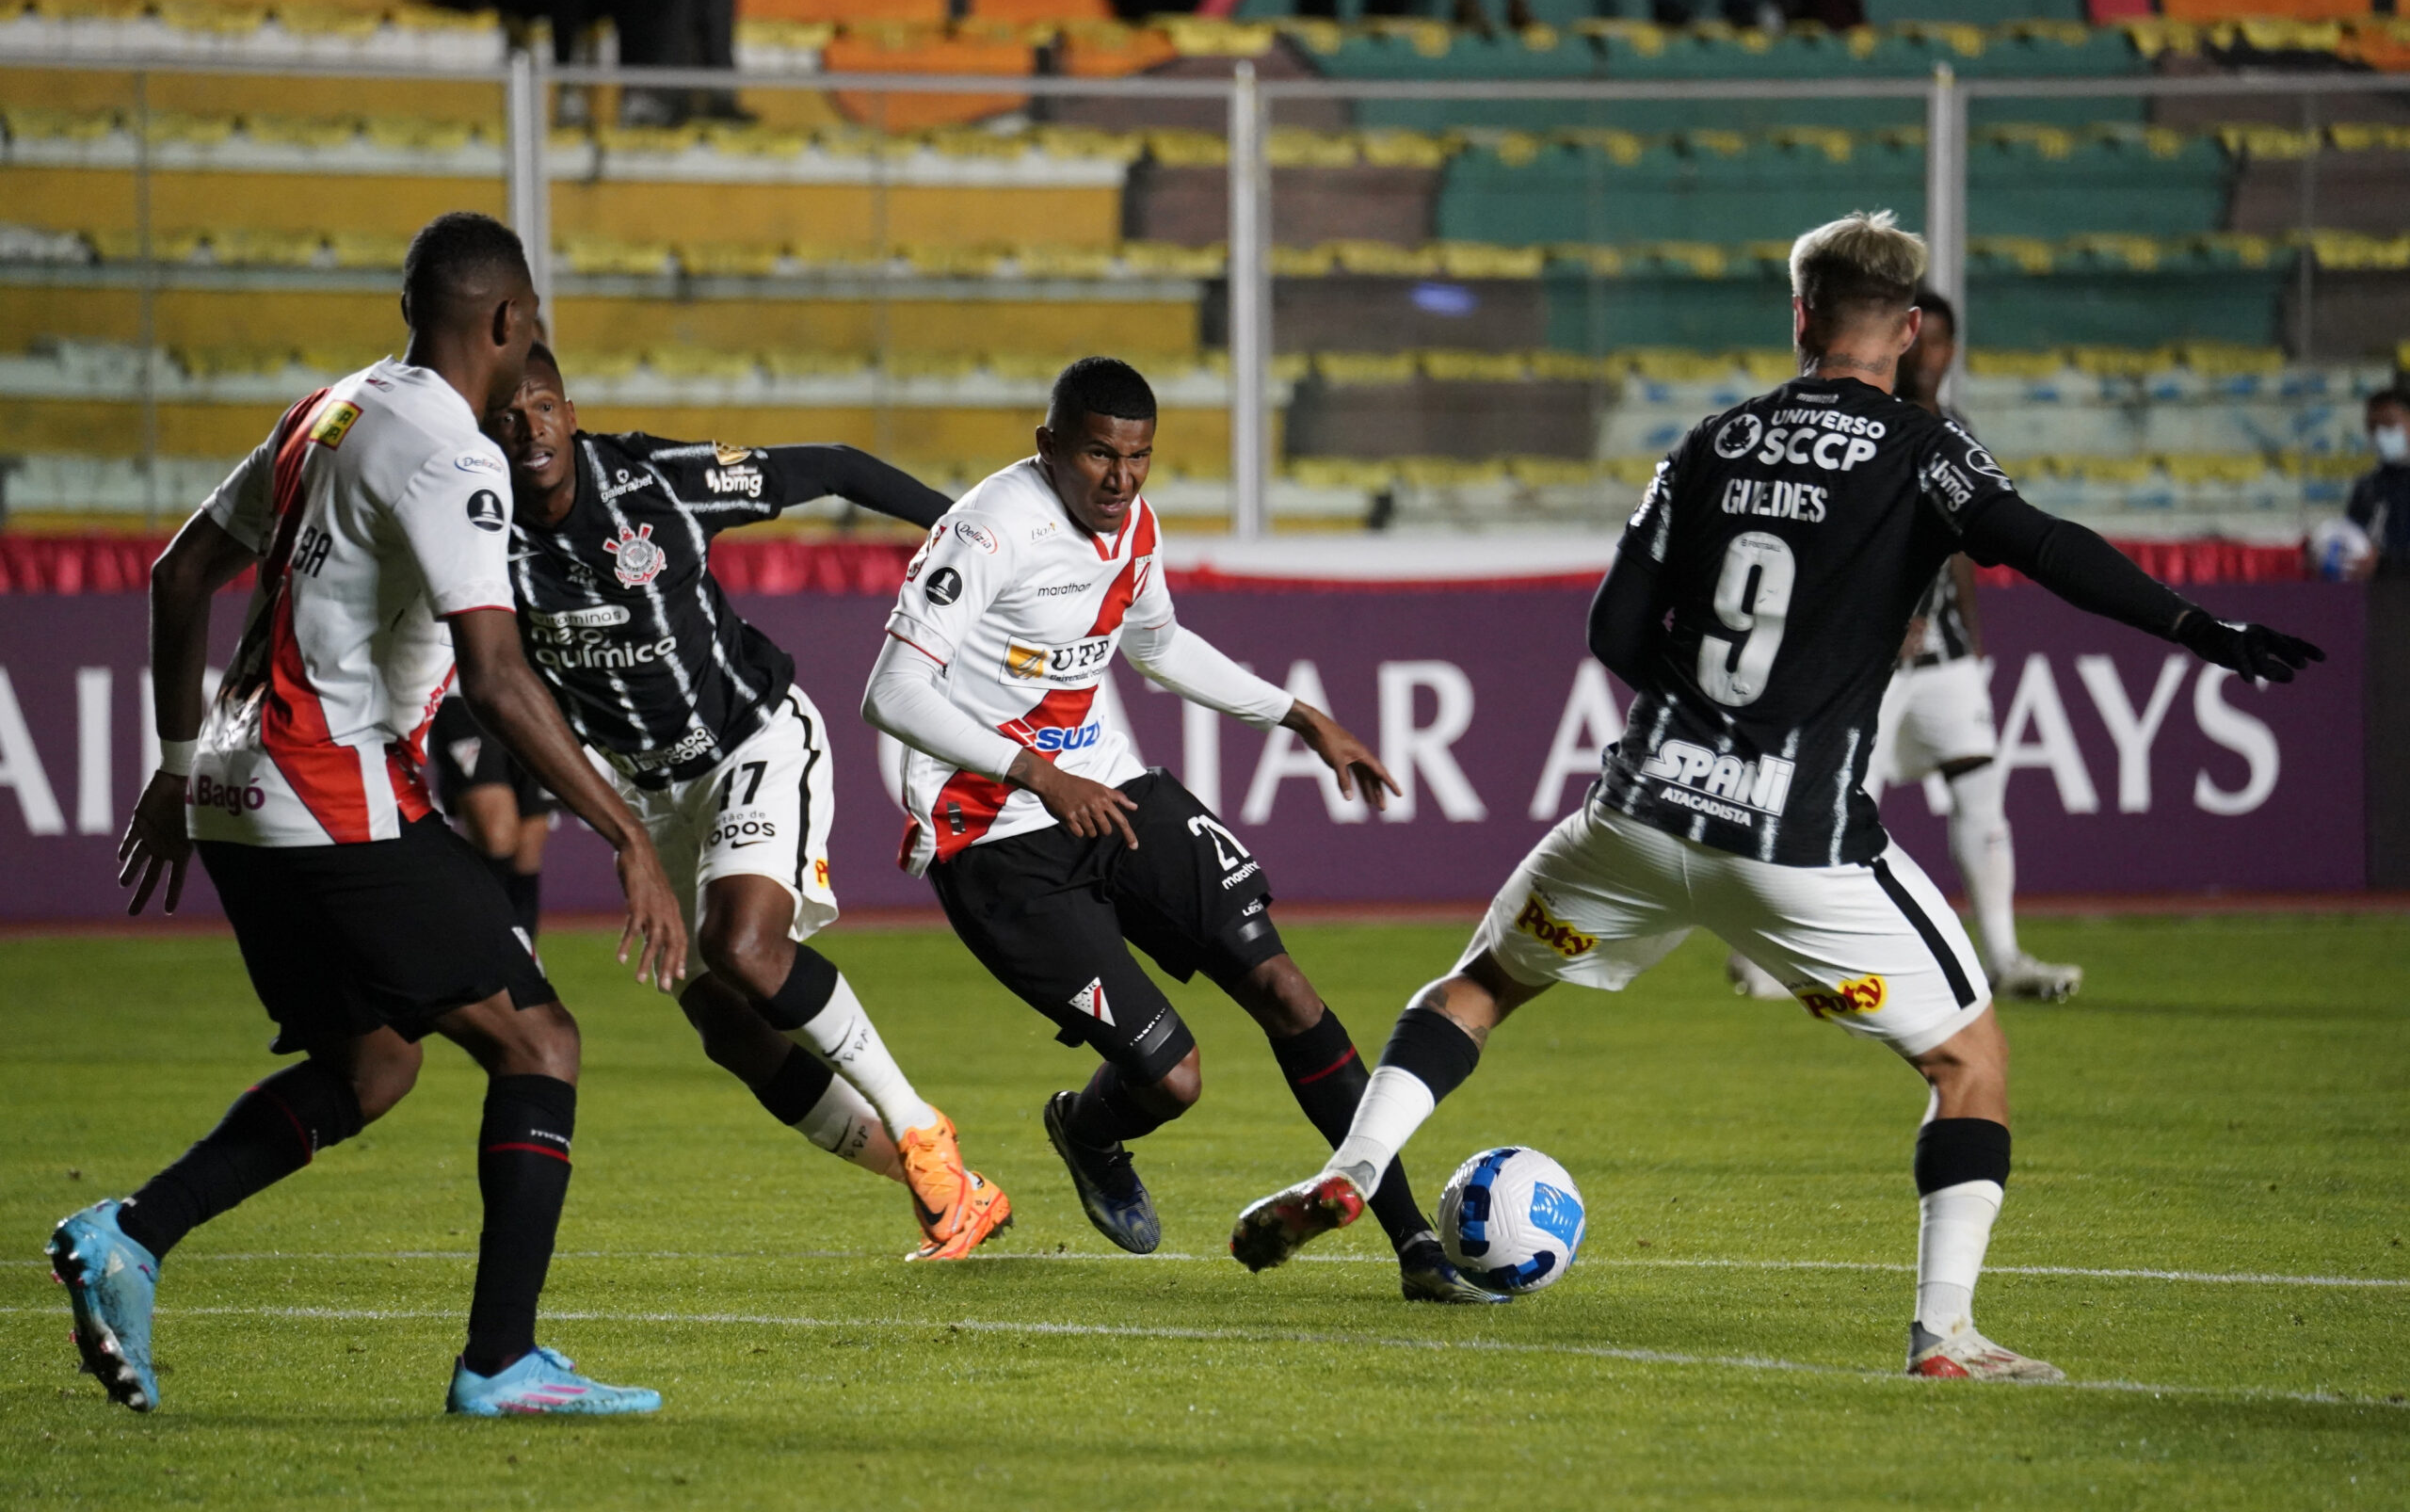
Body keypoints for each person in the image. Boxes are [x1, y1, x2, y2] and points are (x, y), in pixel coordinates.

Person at [1229, 212, 2322, 1379]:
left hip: (1641, 811)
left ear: (1798, 317)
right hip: (1796, 840)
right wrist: (2195, 625)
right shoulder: (1921, 448)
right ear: (1905, 330)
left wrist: (1699, 720)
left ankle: (1353, 1168)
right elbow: (2038, 544)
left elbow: (1609, 629)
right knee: (1969, 1064)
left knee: (1481, 985)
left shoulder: (1706, 442)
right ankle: (1943, 1335)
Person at [52, 212, 687, 1418]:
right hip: (327, 784)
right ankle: (502, 1361)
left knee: (376, 1063)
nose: (534, 341)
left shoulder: (330, 408)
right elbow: (496, 679)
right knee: (540, 1041)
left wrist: (182, 767)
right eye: (533, 322)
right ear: (505, 321)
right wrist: (627, 832)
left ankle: (132, 1234)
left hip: (244, 789)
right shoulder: (455, 455)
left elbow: (177, 571)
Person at [861, 357, 1498, 1302]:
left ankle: (1413, 1247)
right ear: (1048, 447)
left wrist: (1301, 717)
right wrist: (1039, 771)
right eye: (1096, 455)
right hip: (994, 835)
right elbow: (892, 691)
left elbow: (1156, 645)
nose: (1119, 479)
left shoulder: (1132, 527)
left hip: (1111, 792)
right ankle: (1087, 1129)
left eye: (1138, 457)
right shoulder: (989, 531)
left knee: (1284, 987)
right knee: (1173, 1080)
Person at [488, 343, 1010, 1260]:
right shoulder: (476, 530)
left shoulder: (657, 481)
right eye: (506, 413)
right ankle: (949, 1190)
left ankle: (920, 1127)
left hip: (753, 740)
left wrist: (970, 542)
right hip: (643, 794)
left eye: (542, 406)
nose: (528, 428)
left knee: (743, 947)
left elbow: (838, 467)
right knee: (728, 1029)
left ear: (568, 411)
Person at [1728, 290, 2080, 1005]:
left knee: (1981, 789)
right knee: (1839, 805)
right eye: (1924, 340)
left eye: (1947, 342)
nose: (1935, 356)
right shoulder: (1862, 427)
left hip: (1945, 656)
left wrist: (1972, 637)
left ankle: (2004, 957)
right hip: (1870, 659)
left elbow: (1963, 545)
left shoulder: (1956, 429)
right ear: (1897, 341)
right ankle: (1776, 950)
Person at [429, 693, 554, 942]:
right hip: (463, 697)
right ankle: (486, 950)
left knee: (530, 843)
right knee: (496, 835)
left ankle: (524, 959)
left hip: (532, 696)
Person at [2344, 388, 2410, 579]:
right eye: (2373, 427)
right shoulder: (2367, 487)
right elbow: (2353, 541)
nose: (2380, 435)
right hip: (2380, 599)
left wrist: (2381, 562)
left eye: (2389, 425)